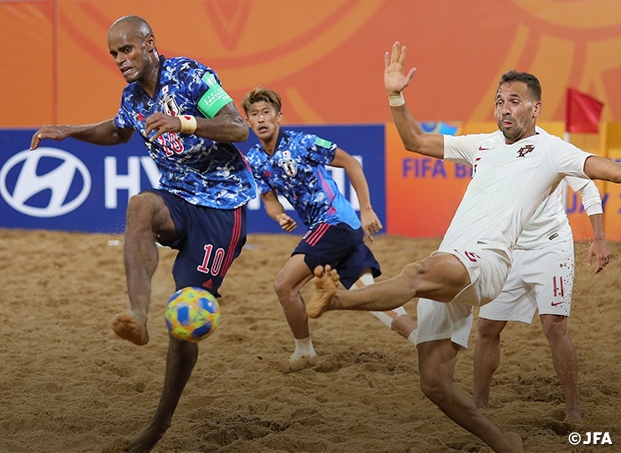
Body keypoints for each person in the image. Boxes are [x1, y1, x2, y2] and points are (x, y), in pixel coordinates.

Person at [305, 41, 621, 453]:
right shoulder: (481, 145)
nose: (504, 108)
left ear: (535, 108)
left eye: (514, 101)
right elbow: (415, 141)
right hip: (451, 260)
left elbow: (602, 169)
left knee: (416, 273)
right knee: (434, 383)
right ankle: (505, 443)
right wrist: (395, 96)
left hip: (488, 262)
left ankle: (337, 302)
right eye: (499, 101)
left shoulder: (551, 149)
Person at [30, 15, 256, 453]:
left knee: (184, 322)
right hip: (176, 200)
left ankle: (159, 424)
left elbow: (238, 127)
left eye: (126, 49)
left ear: (149, 43)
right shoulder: (132, 96)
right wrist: (72, 131)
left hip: (222, 210)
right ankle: (137, 314)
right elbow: (118, 131)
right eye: (114, 53)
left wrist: (184, 123)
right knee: (139, 204)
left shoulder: (192, 76)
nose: (119, 59)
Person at [240, 87, 417, 373]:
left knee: (284, 286)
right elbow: (269, 201)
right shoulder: (255, 160)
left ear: (279, 116)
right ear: (247, 121)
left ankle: (304, 351)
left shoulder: (303, 143)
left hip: (335, 222)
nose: (261, 119)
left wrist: (367, 208)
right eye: (254, 114)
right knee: (369, 295)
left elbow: (349, 162)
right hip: (335, 229)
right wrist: (279, 217)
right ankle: (422, 340)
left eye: (266, 113)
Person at [473, 174, 609, 421]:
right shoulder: (492, 149)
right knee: (486, 326)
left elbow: (588, 188)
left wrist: (599, 238)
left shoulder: (551, 147)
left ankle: (573, 408)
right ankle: (478, 405)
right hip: (507, 246)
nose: (507, 130)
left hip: (552, 247)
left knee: (554, 325)